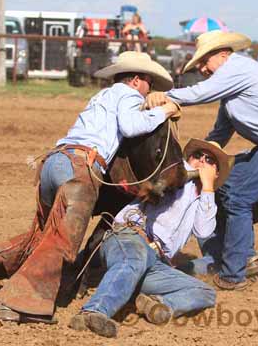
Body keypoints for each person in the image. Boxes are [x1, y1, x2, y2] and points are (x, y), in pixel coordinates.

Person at [0, 51, 180, 324]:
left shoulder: (102, 96)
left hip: (54, 162)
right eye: (149, 83)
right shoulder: (129, 95)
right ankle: (23, 305)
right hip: (81, 167)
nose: (150, 89)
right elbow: (132, 127)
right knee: (63, 240)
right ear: (136, 80)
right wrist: (164, 110)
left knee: (44, 232)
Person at [145, 30, 258, 291]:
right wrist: (199, 162)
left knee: (238, 197)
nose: (201, 69)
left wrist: (165, 96)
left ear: (223, 54)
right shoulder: (233, 91)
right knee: (221, 187)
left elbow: (201, 93)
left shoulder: (239, 67)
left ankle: (234, 274)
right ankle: (238, 257)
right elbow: (219, 135)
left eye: (203, 62)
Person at [69, 139, 228, 338]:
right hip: (130, 236)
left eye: (210, 160)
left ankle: (155, 303)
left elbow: (204, 231)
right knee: (132, 260)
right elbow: (165, 178)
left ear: (216, 172)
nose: (202, 162)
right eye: (198, 156)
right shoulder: (174, 174)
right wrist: (183, 173)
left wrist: (208, 188)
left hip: (156, 260)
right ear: (188, 158)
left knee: (204, 292)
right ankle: (93, 312)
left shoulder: (205, 198)